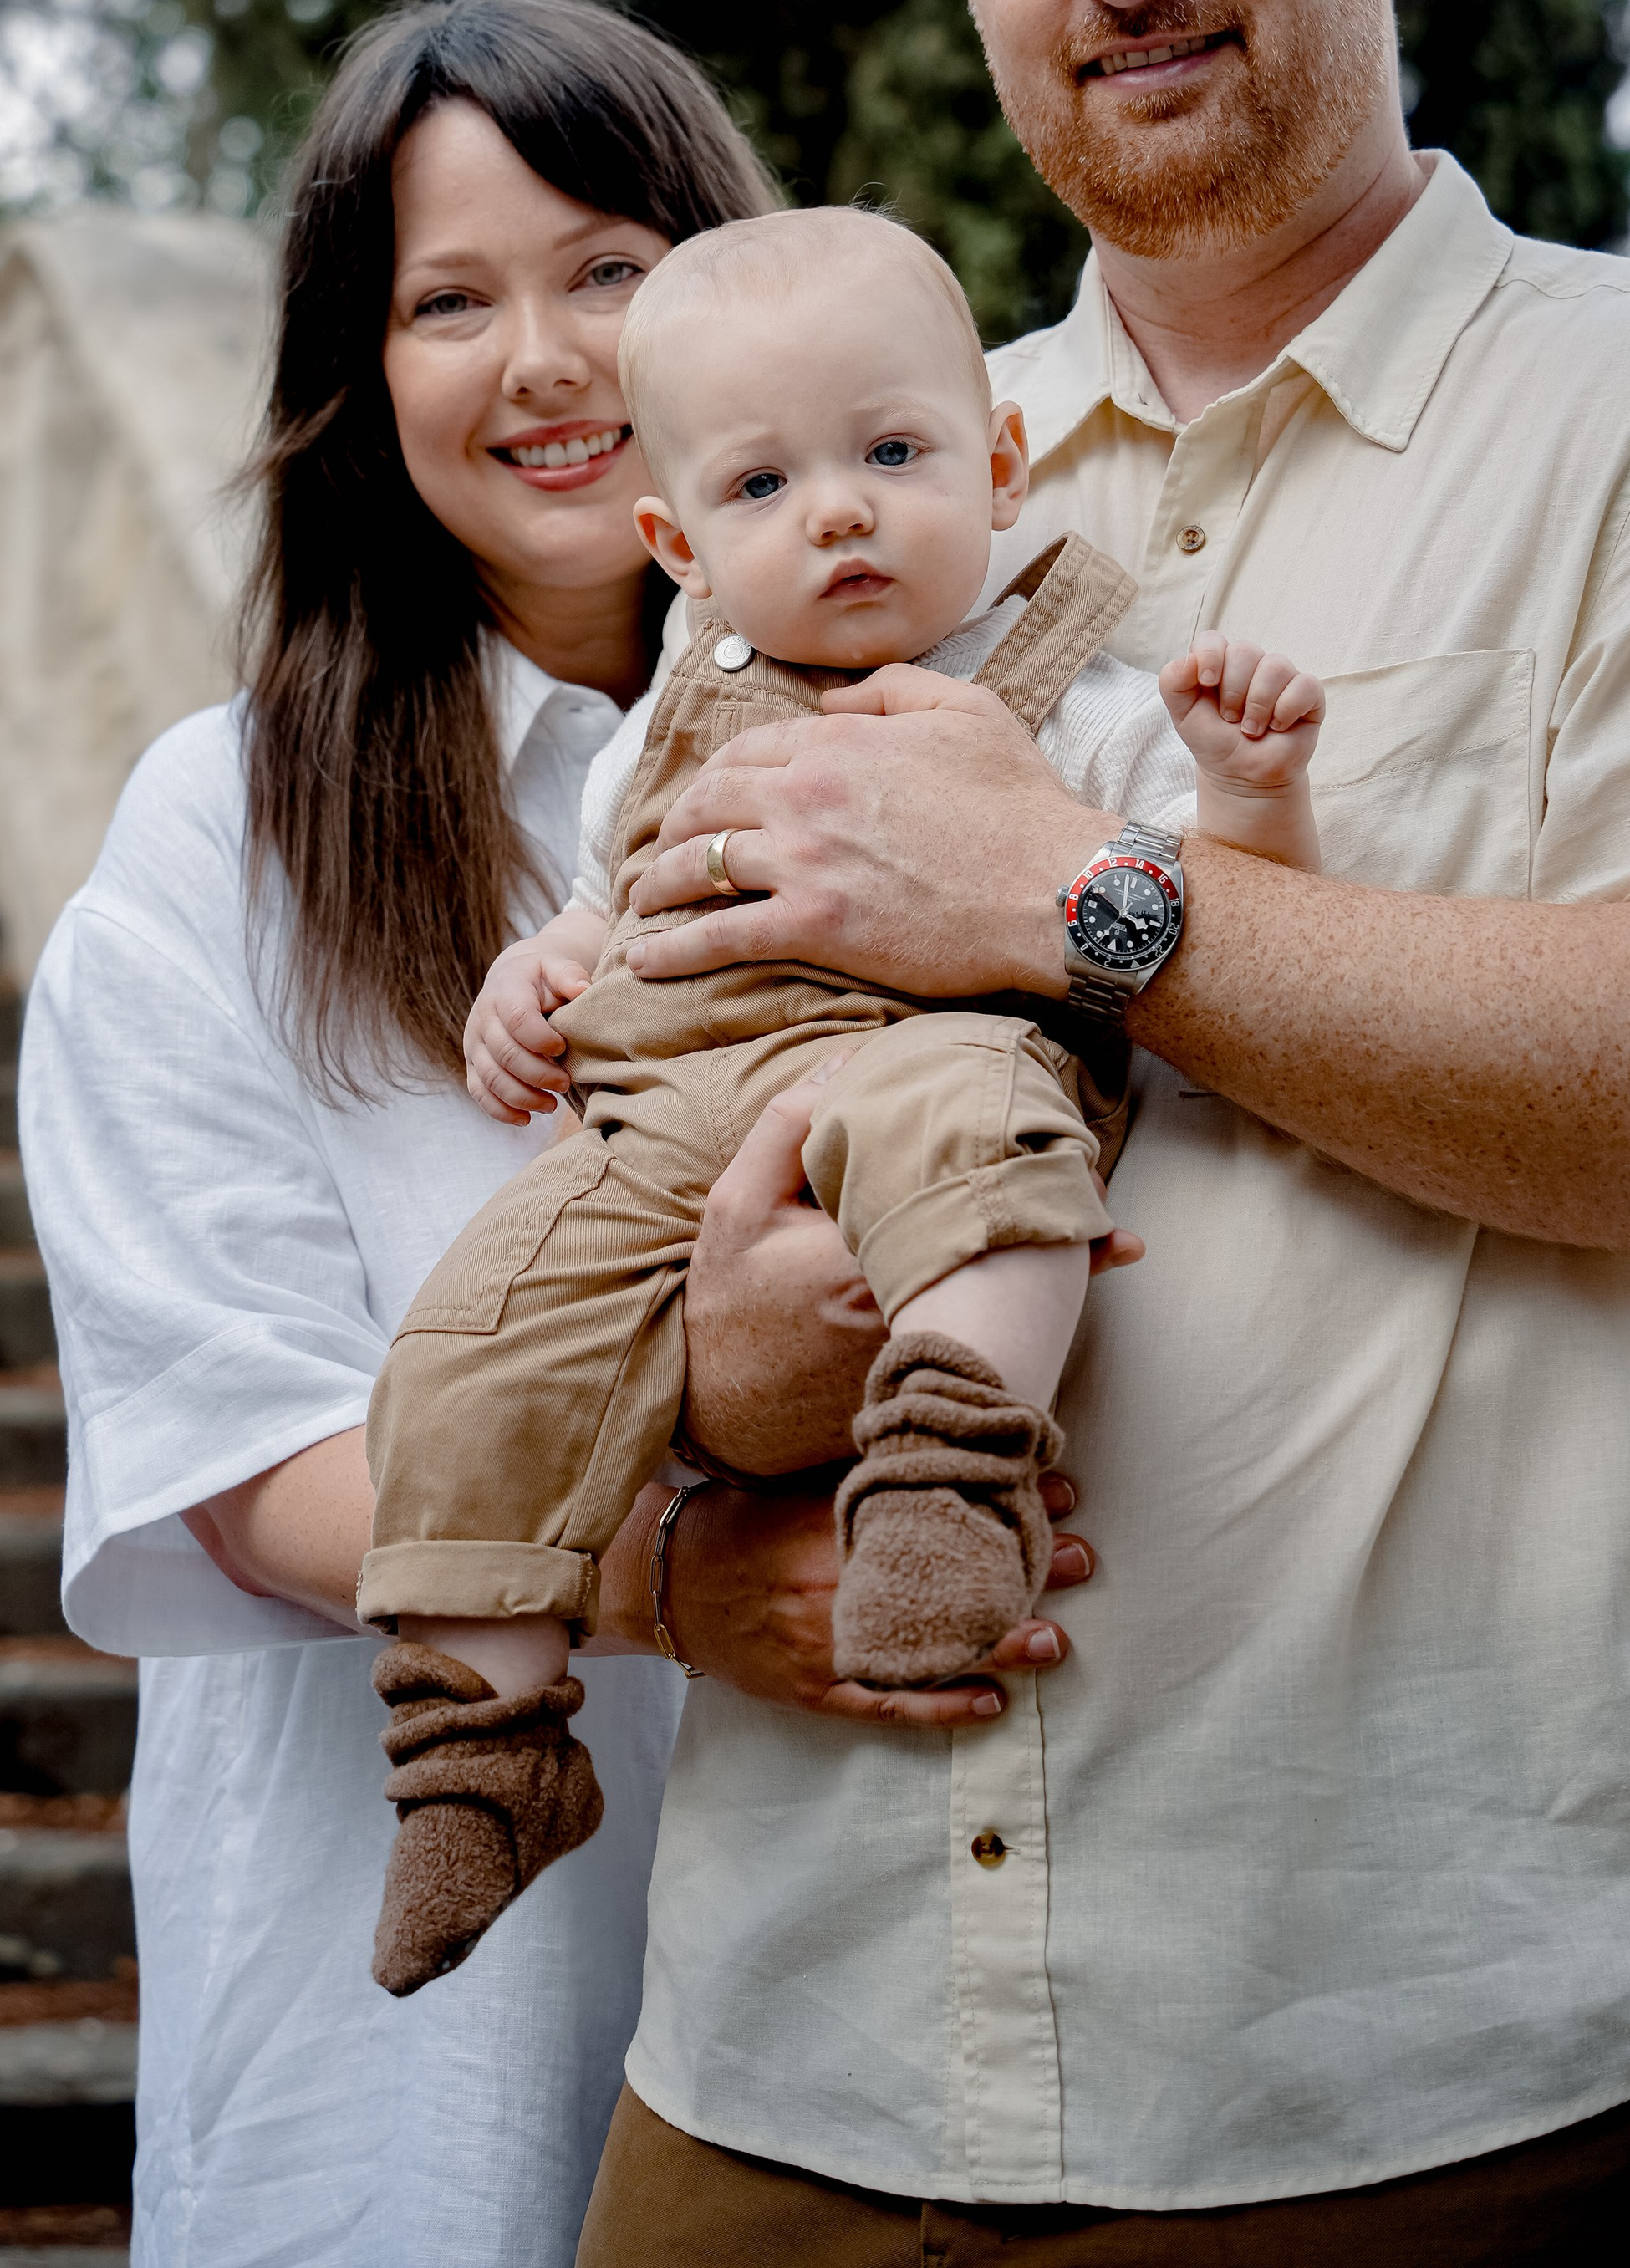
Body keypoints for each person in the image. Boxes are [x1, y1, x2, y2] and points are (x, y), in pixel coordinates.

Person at [573, 0, 1630, 2258]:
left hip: (1403, 2073)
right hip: (781, 2051)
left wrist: (1083, 892)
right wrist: (705, 1405)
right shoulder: (827, 468)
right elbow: (627, 1103)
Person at [18, 0, 792, 2268]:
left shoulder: (910, 765)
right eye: (448, 300)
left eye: (608, 267)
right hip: (418, 1996)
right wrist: (703, 1594)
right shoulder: (228, 836)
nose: (542, 359)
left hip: (859, 1940)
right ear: (361, 379)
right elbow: (240, 1454)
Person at [356, 203, 1325, 1996]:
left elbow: (1189, 922)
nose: (839, 510)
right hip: (665, 1108)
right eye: (760, 486)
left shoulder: (1066, 686)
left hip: (926, 1049)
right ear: (676, 544)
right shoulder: (678, 692)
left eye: (890, 453)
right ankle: (477, 1751)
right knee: (476, 1334)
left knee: (989, 1158)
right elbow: (604, 893)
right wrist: (535, 976)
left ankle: (949, 1478)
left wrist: (1240, 789)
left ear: (998, 457)